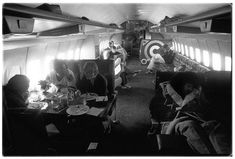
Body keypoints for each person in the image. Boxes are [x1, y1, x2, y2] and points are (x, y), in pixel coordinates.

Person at [149, 72, 231, 154]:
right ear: (180, 86)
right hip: (176, 125)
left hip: (195, 122)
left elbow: (205, 113)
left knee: (213, 125)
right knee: (189, 126)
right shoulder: (163, 98)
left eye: (192, 86)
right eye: (188, 86)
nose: (191, 89)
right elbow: (158, 120)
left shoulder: (194, 96)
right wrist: (173, 124)